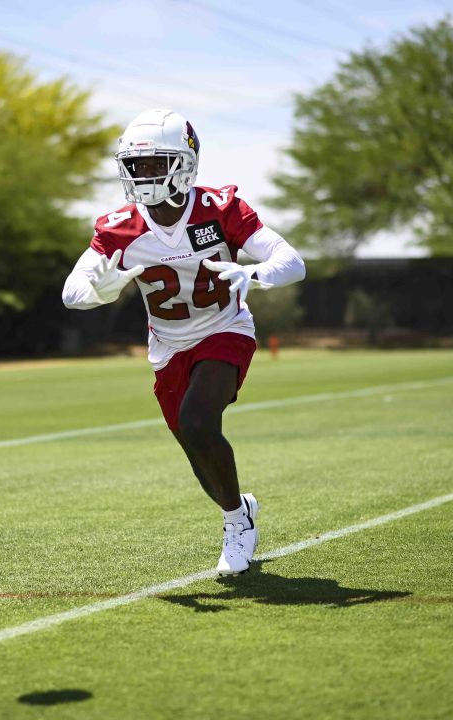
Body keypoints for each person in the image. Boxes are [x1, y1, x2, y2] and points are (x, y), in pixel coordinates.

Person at [62, 109, 306, 575]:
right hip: (167, 346)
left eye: (156, 164)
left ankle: (237, 524)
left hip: (224, 328)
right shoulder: (118, 227)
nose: (144, 175)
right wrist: (102, 291)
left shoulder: (220, 208)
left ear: (186, 162)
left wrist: (253, 272)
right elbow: (71, 293)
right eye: (136, 166)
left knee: (197, 421)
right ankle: (240, 506)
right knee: (197, 453)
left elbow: (291, 262)